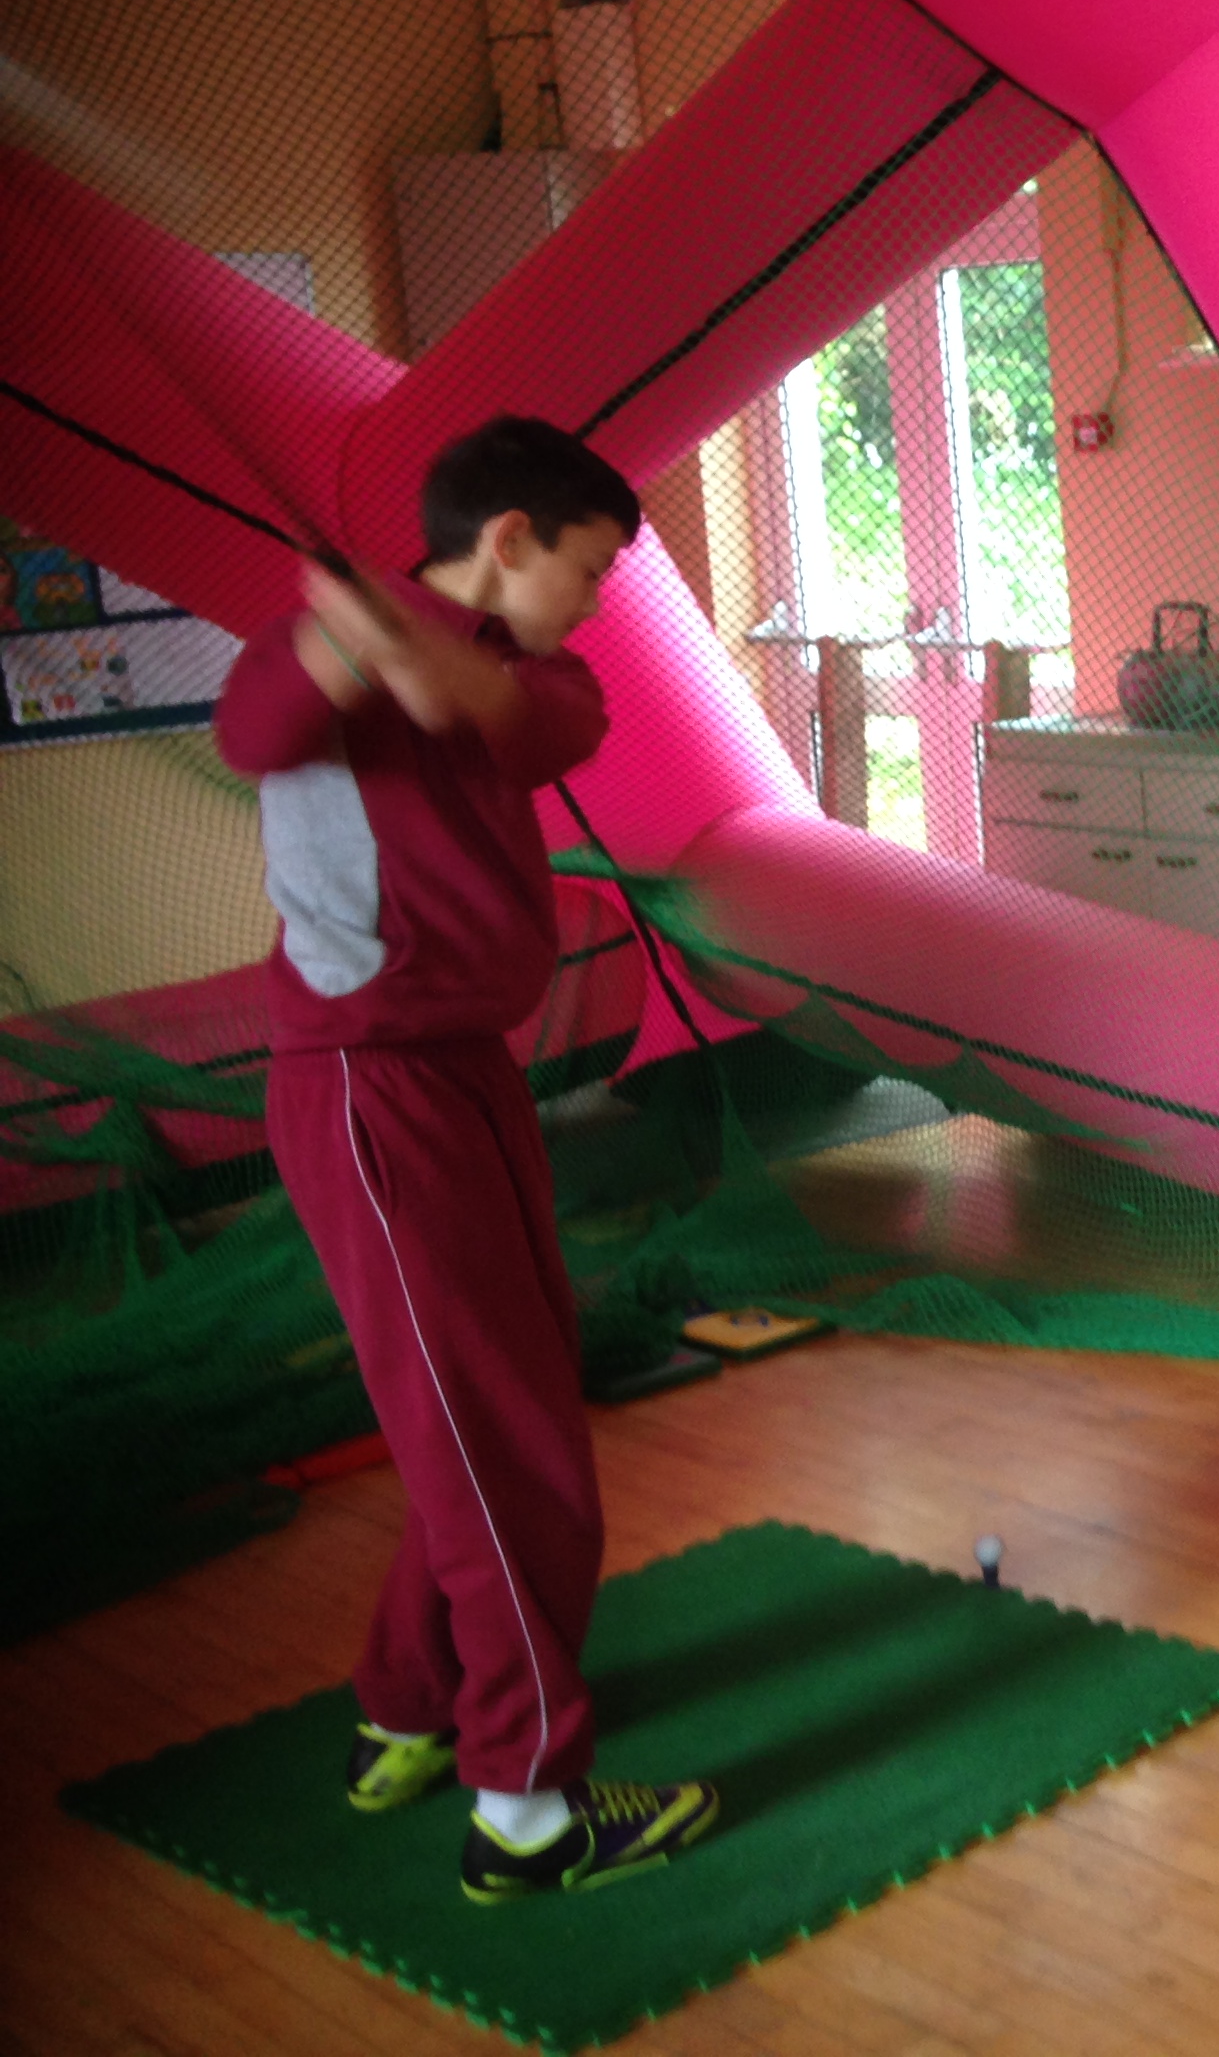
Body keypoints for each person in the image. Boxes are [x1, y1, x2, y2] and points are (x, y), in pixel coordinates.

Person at [211, 416, 717, 1902]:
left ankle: (411, 1702)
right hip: (370, 1092)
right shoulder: (307, 652)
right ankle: (526, 1811)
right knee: (503, 1446)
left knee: (505, 1408)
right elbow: (255, 735)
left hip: (468, 1079)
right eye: (588, 568)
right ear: (508, 538)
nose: (595, 601)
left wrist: (413, 644)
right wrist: (350, 641)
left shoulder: (539, 676)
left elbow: (516, 718)